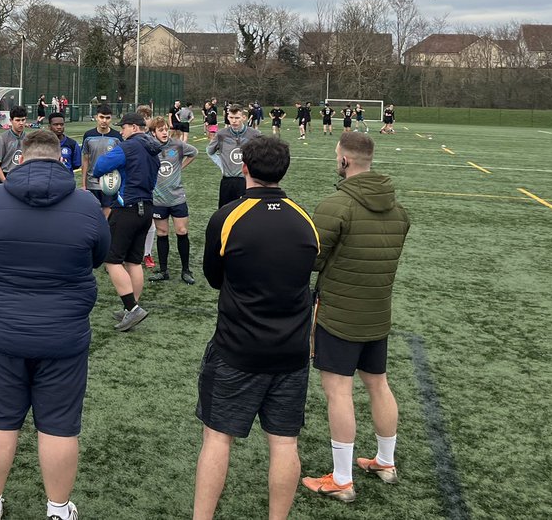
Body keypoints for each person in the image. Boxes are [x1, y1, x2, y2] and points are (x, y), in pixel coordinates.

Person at [0, 129, 109, 520]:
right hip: (63, 334)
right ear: (61, 160)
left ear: (19, 159)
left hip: (4, 332)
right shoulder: (86, 205)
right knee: (60, 426)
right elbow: (98, 255)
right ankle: (58, 509)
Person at [194, 136, 320, 520]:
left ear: (244, 167)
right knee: (284, 443)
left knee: (217, 437)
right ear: (284, 170)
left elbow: (215, 278)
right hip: (292, 354)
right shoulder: (305, 219)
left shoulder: (227, 217)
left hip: (237, 351)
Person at [301, 132, 410, 503]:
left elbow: (311, 258)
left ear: (344, 160)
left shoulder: (337, 204)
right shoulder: (397, 209)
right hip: (377, 312)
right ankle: (385, 461)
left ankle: (343, 479)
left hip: (338, 314)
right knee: (378, 383)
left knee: (338, 391)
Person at [91, 111, 161, 332]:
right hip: (147, 207)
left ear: (133, 127)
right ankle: (132, 307)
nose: (121, 131)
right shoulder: (153, 149)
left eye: (123, 127)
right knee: (134, 261)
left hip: (127, 207)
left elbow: (100, 166)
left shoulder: (128, 146)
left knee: (111, 260)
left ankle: (132, 308)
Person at [148, 115, 198, 284]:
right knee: (162, 233)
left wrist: (181, 167)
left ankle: (186, 270)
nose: (164, 132)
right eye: (160, 130)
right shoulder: (149, 147)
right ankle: (163, 271)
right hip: (158, 199)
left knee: (182, 232)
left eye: (166, 129)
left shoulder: (177, 145)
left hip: (177, 197)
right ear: (153, 132)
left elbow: (194, 152)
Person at [207, 105, 262, 209]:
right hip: (227, 180)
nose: (234, 121)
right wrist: (221, 165)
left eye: (237, 118)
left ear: (243, 118)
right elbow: (210, 151)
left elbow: (263, 154)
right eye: (231, 117)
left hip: (247, 181)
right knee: (225, 212)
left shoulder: (255, 134)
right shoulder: (221, 134)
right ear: (228, 117)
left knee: (246, 213)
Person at [81, 105, 123, 213]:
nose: (104, 120)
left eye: (107, 118)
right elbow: (85, 160)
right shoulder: (88, 135)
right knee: (92, 213)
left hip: (110, 182)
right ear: (96, 117)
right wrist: (84, 184)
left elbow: (121, 161)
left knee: (107, 213)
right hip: (92, 182)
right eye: (101, 117)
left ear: (111, 118)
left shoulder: (117, 137)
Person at [0, 106, 27, 183]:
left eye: (23, 120)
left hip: (21, 176)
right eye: (17, 120)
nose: (21, 123)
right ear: (11, 120)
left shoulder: (28, 139)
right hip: (5, 175)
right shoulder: (3, 138)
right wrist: (5, 181)